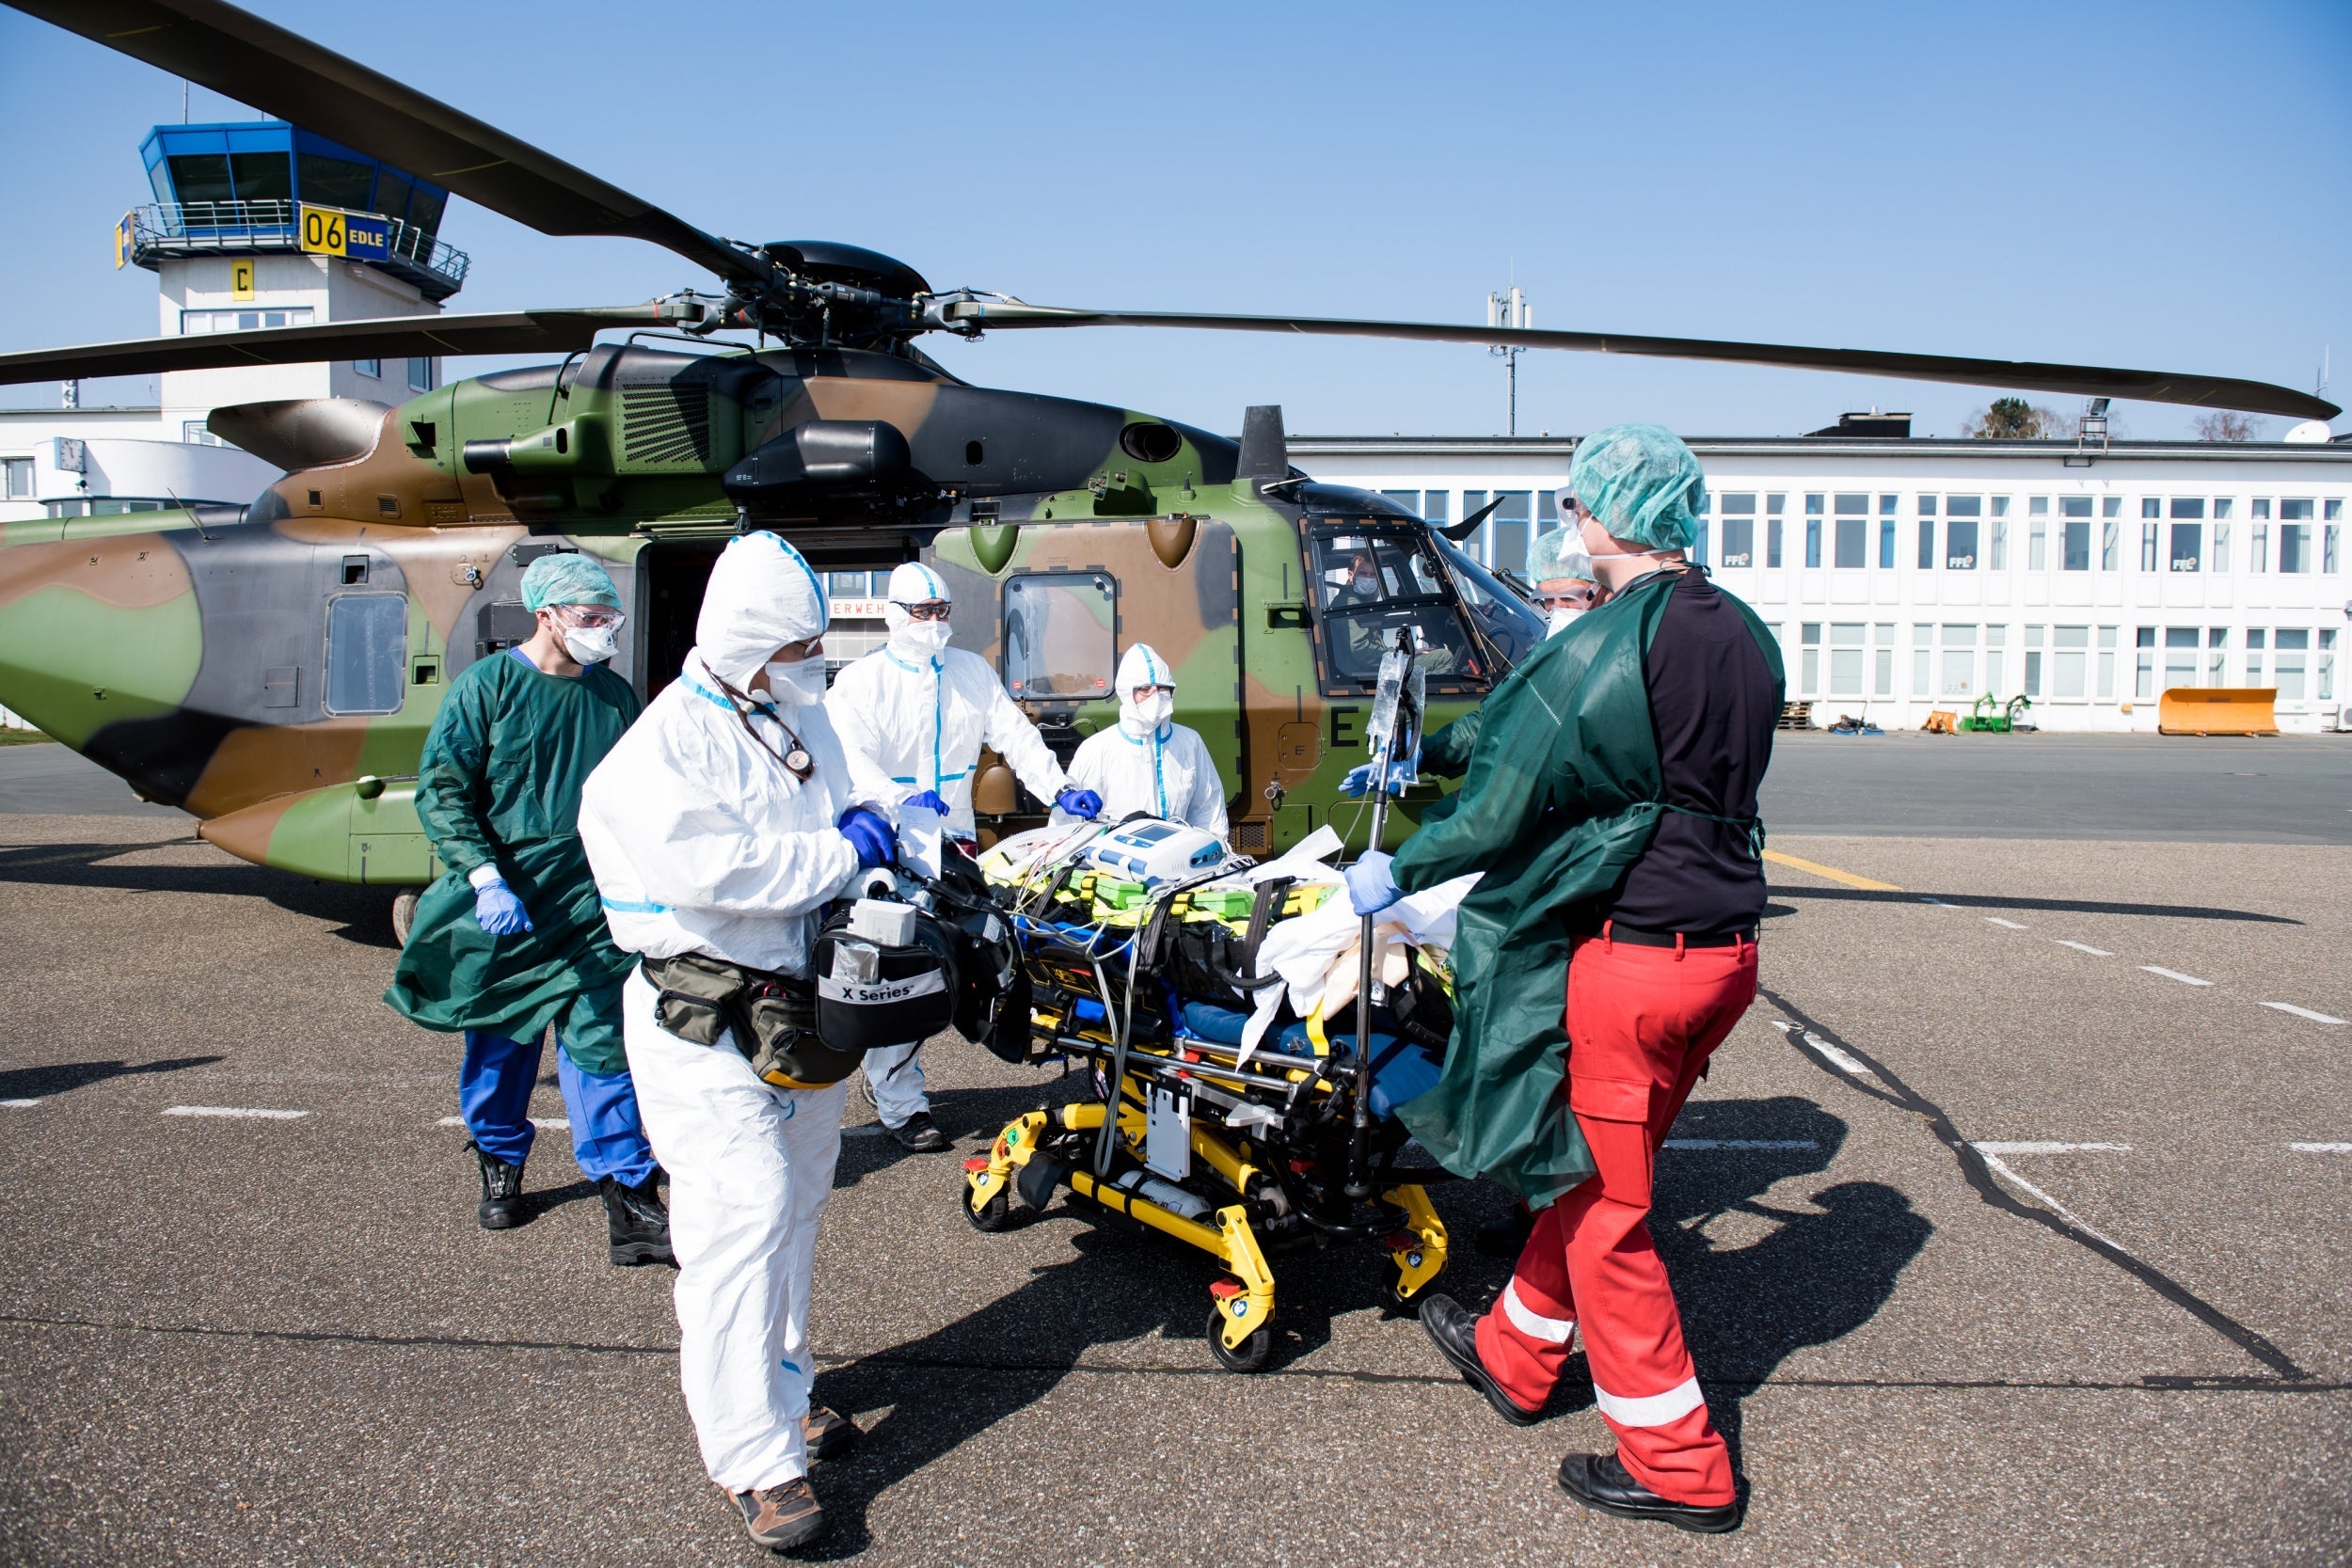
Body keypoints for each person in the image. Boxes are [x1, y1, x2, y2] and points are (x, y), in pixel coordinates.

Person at [1344, 423, 1781, 1535]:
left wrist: (1401, 861)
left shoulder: (1608, 640)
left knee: (1603, 1209)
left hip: (1638, 957)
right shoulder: (1745, 632)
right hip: (1729, 950)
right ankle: (1517, 1349)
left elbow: (1504, 795)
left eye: (1577, 507)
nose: (1573, 525)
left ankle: (1680, 1464)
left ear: (1602, 516)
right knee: (1596, 1159)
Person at [577, 531, 897, 1554]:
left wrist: (894, 829)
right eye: (798, 641)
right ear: (748, 640)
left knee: (799, 1201)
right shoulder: (659, 749)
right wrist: (843, 848)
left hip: (799, 1011)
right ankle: (753, 1461)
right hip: (702, 1018)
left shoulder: (791, 709)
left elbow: (853, 798)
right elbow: (728, 873)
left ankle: (787, 1390)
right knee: (738, 1220)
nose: (815, 656)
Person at [385, 550, 670, 1267]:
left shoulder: (612, 697)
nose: (604, 629)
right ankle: (500, 1162)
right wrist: (484, 875)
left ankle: (630, 1199)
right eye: (590, 617)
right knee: (500, 1049)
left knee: (602, 1050)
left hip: (588, 903)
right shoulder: (486, 689)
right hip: (508, 904)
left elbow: (640, 791)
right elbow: (442, 790)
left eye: (611, 616)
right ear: (546, 615)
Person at [825, 561, 1101, 1150]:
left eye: (942, 611)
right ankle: (901, 1104)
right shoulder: (860, 682)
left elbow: (1016, 736)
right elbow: (847, 757)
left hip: (953, 844)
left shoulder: (971, 672)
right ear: (892, 615)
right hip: (889, 846)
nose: (934, 623)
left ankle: (902, 1076)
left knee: (963, 963)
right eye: (922, 613)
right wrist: (896, 799)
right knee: (901, 968)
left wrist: (1059, 788)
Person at [1341, 519, 1603, 798]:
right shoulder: (1552, 655)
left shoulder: (1618, 657)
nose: (1554, 611)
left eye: (1567, 597)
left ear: (1602, 590)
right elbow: (1497, 720)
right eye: (1545, 600)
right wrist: (1424, 753)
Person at [1059, 642, 1229, 834]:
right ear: (1127, 691)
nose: (1155, 697)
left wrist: (1215, 851)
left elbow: (1208, 808)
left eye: (1162, 689)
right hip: (1116, 858)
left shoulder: (1190, 742)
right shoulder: (1098, 748)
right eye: (1145, 689)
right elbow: (1067, 820)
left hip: (1178, 856)